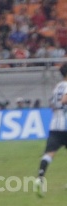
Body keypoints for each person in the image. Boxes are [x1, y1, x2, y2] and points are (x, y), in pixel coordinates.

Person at [33, 63, 67, 197]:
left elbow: (53, 104)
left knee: (49, 154)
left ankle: (39, 178)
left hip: (55, 126)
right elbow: (64, 100)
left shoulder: (57, 86)